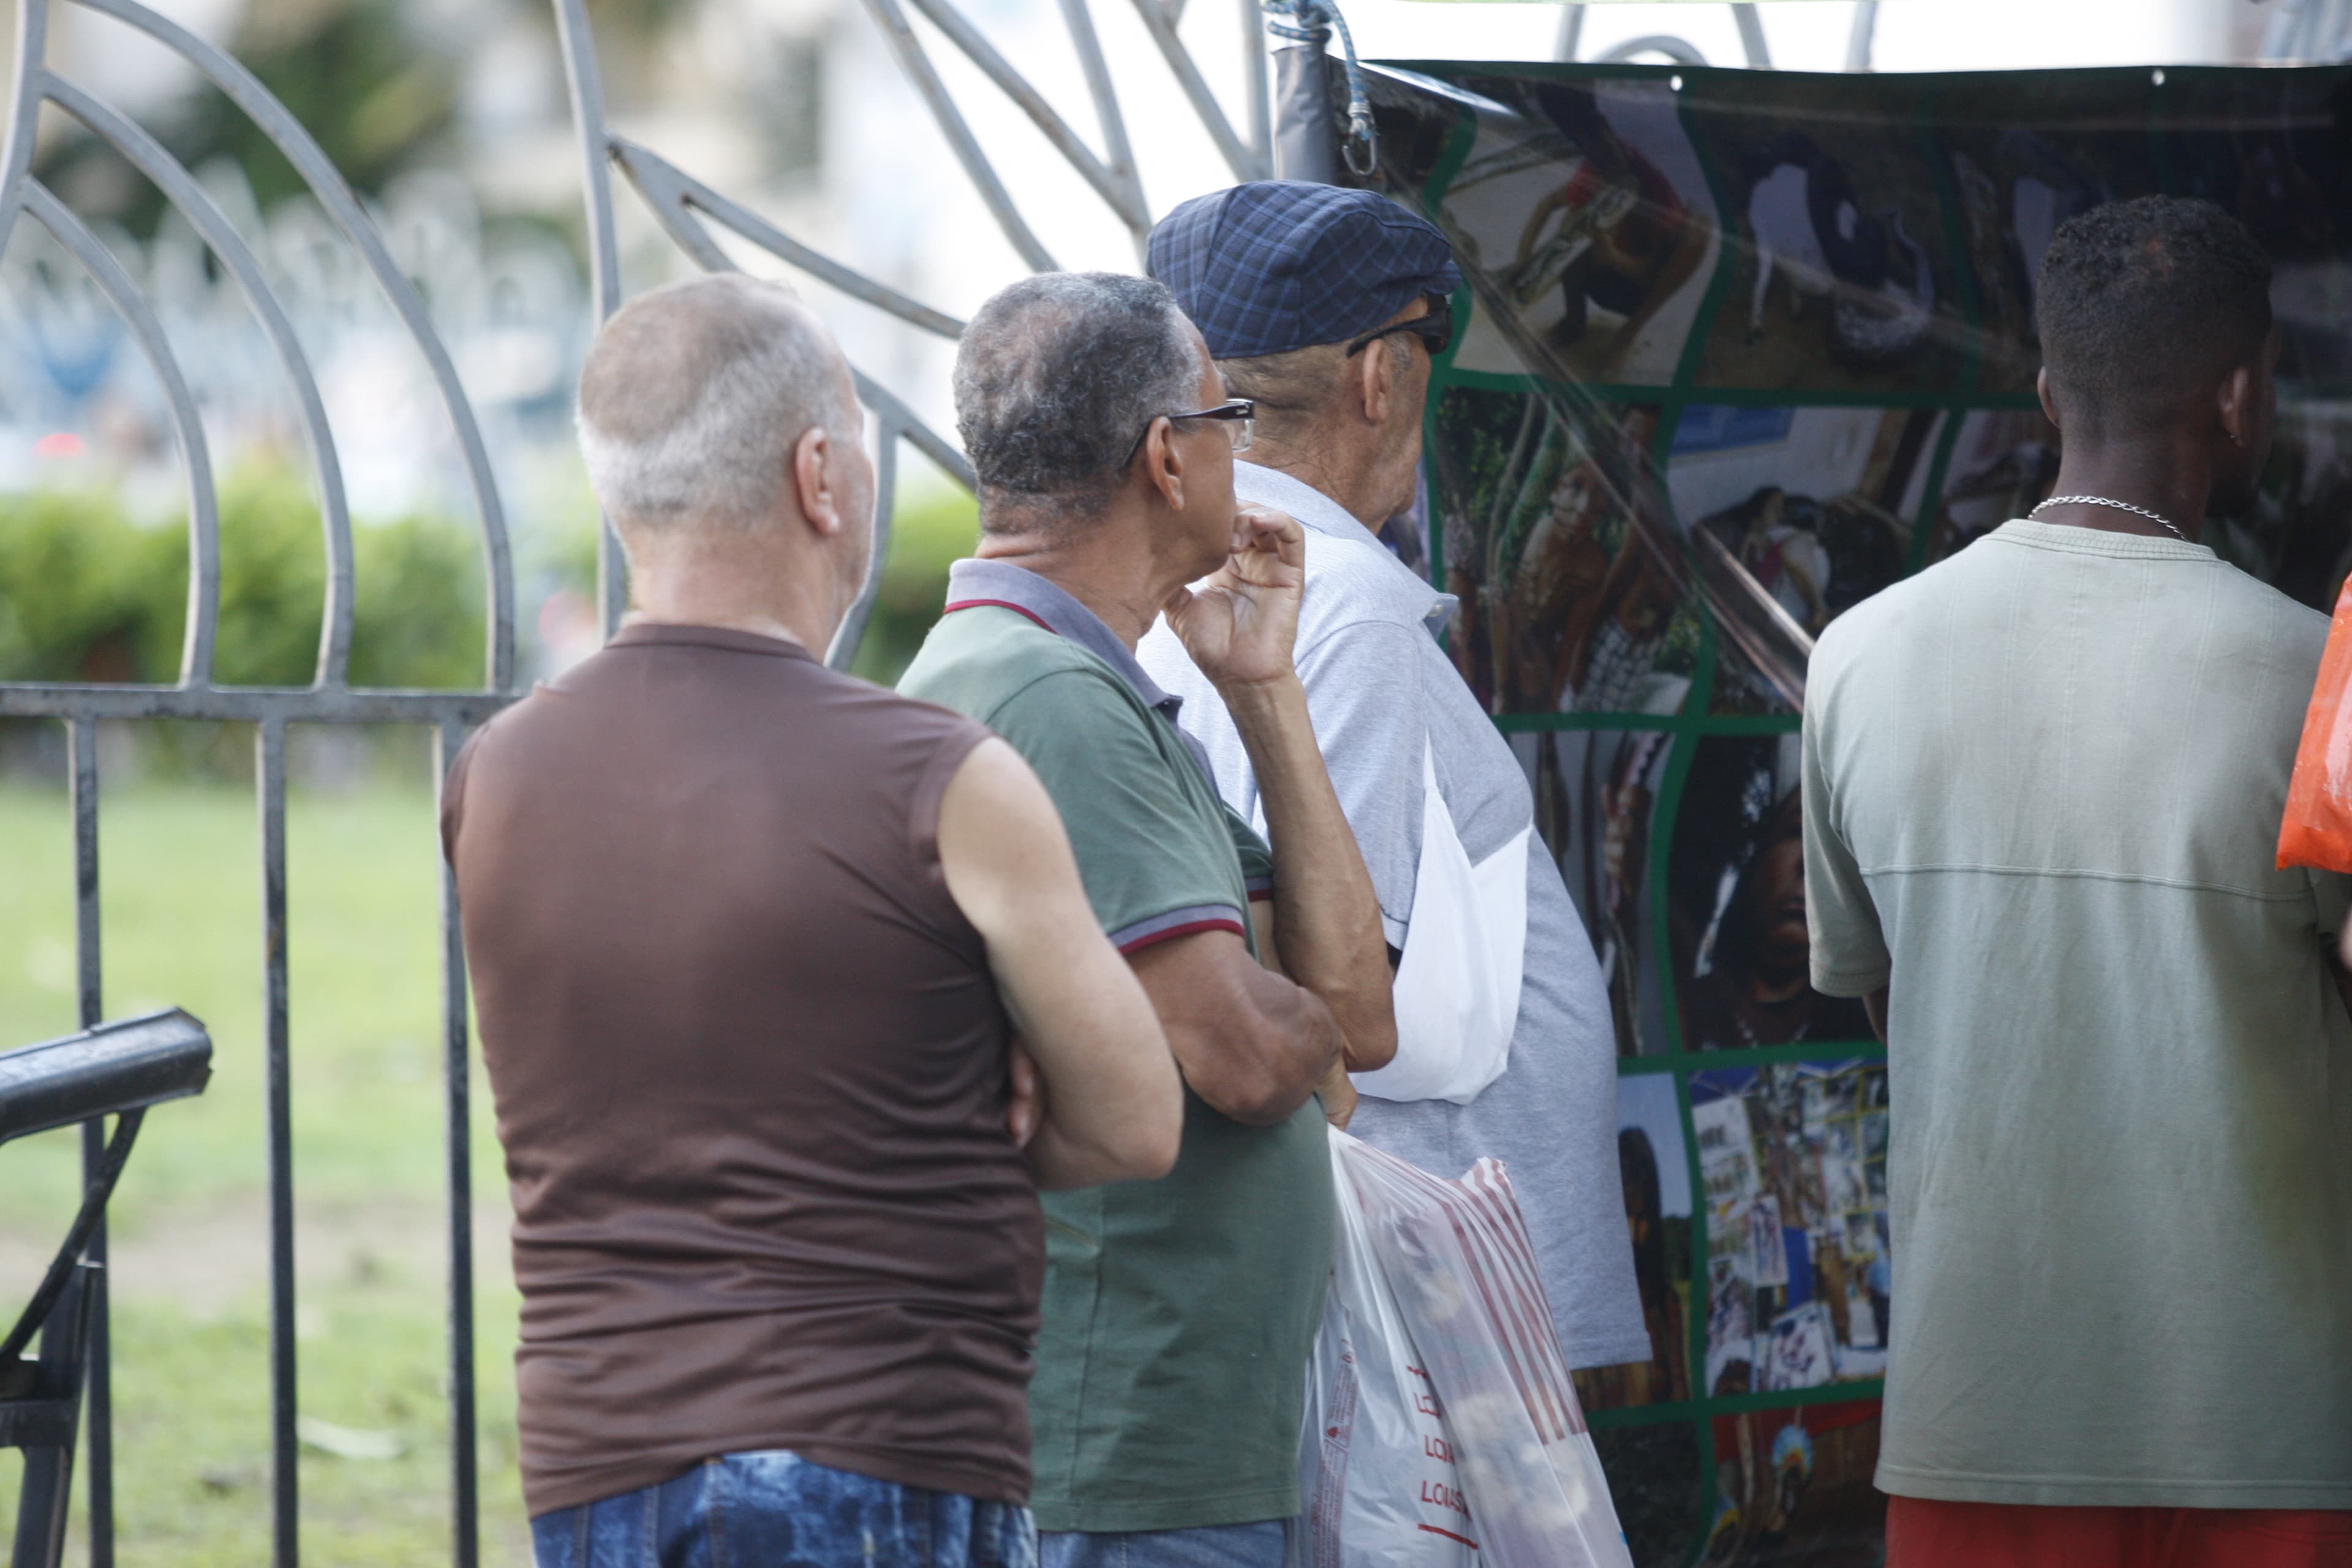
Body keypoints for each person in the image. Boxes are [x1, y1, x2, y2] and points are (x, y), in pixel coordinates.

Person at [443, 274, 1185, 1567]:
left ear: (625, 498)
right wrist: (957, 1101)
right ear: (820, 475)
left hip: (598, 1461)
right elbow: (1135, 1114)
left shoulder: (496, 774)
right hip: (878, 1448)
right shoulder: (940, 775)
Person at [1803, 197, 2352, 1567]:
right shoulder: (2315, 673)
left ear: (2049, 390)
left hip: (1979, 1408)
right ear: (2242, 397)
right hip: (2273, 1414)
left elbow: (1887, 1004)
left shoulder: (1855, 660)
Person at [897, 271, 1395, 1568]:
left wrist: (1264, 688)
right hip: (1131, 1468)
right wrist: (1292, 1029)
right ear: (1170, 456)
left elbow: (1351, 1011)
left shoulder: (1077, 686)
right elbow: (1249, 1049)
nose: (1243, 447)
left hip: (1170, 1448)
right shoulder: (1046, 697)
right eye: (1228, 414)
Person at [1138, 180, 1648, 1373]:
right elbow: (1337, 1008)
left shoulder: (1184, 575)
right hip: (1432, 1326)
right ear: (1382, 376)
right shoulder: (1342, 604)